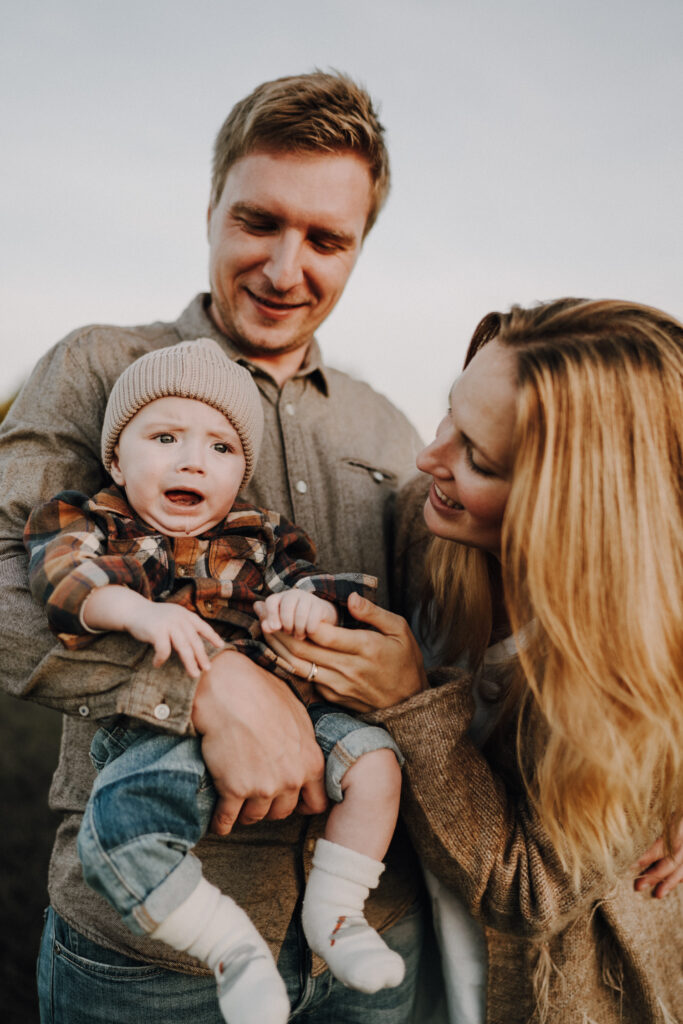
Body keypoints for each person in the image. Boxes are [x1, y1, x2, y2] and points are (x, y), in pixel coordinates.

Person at [0, 71, 428, 1023]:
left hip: (375, 931)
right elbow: (6, 580)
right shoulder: (97, 365)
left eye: (325, 240)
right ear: (210, 209)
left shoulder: (391, 430)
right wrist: (205, 685)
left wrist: (407, 678)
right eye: (259, 222)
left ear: (359, 248)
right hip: (151, 960)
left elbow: (448, 638)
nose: (285, 269)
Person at [272, 297, 683, 1022]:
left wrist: (410, 702)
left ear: (571, 506)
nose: (430, 458)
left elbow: (529, 893)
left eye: (478, 457)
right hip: (402, 964)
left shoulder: (637, 678)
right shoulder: (422, 530)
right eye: (449, 418)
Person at [23, 337, 408, 1023]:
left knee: (377, 763)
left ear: (240, 473)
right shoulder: (95, 521)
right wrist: (134, 609)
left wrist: (304, 601)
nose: (192, 460)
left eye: (220, 449)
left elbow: (318, 585)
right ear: (116, 456)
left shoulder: (260, 536)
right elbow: (62, 580)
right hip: (162, 729)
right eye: (164, 436)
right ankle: (230, 948)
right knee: (123, 834)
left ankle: (338, 915)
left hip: (295, 713)